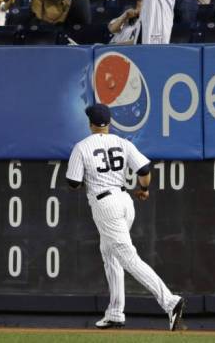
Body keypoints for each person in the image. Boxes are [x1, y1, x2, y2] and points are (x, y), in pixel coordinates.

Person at [66, 103, 185, 330]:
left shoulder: (82, 147)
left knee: (128, 258)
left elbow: (73, 182)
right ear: (109, 123)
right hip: (124, 201)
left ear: (90, 124)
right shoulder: (124, 143)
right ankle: (115, 313)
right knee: (109, 253)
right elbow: (144, 170)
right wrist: (144, 189)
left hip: (106, 205)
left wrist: (87, 180)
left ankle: (171, 302)